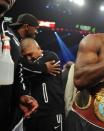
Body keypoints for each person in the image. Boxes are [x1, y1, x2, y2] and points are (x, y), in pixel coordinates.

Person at [0, 1, 38, 131]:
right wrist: (43, 68)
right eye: (36, 28)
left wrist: (20, 95)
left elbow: (16, 70)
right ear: (27, 27)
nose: (37, 32)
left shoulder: (10, 37)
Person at [20, 38, 65, 131]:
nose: (28, 58)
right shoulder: (31, 66)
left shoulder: (50, 56)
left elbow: (27, 68)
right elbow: (26, 69)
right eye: (25, 56)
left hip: (51, 113)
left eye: (30, 54)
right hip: (34, 113)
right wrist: (42, 69)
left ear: (38, 48)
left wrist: (36, 68)